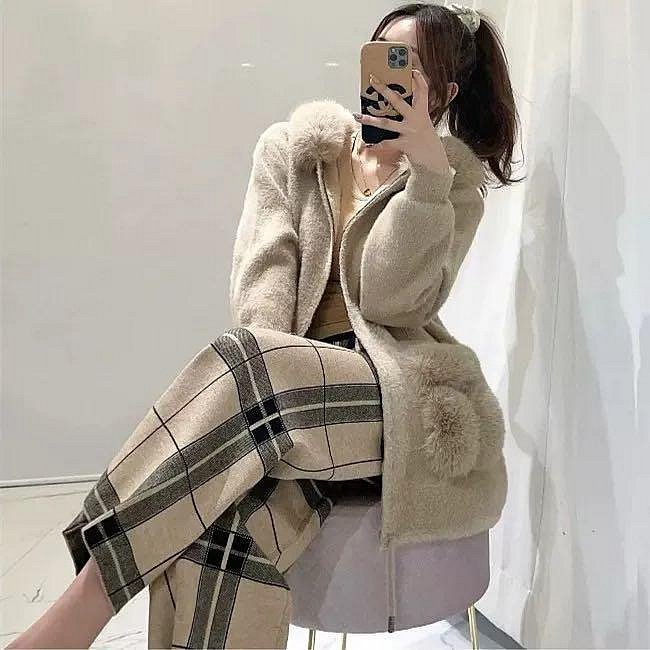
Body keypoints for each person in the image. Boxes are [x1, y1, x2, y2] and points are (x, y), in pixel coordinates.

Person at [7, 2, 520, 648]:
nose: (391, 77)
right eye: (384, 55)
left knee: (256, 367)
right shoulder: (295, 152)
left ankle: (80, 608)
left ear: (441, 93)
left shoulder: (450, 184)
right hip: (282, 390)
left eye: (411, 67)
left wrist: (422, 174)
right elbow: (261, 297)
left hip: (393, 396)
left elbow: (392, 306)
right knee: (218, 538)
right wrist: (268, 412)